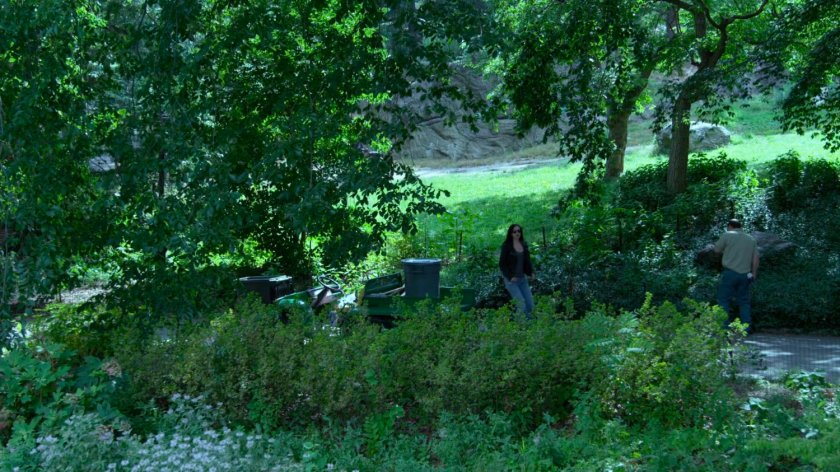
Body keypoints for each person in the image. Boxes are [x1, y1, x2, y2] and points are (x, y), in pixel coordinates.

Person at [714, 219, 760, 333]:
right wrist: (754, 273)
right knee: (744, 302)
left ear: (730, 226)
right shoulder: (751, 239)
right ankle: (746, 328)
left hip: (730, 273)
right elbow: (756, 258)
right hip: (745, 274)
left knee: (723, 300)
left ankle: (724, 327)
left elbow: (716, 250)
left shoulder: (727, 235)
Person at [499, 224, 535, 316]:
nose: (517, 233)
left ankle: (530, 327)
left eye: (519, 231)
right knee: (521, 306)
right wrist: (510, 277)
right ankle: (521, 327)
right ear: (511, 233)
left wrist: (531, 272)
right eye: (514, 231)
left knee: (530, 305)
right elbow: (502, 264)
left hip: (523, 279)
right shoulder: (506, 246)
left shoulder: (524, 244)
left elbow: (527, 261)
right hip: (511, 282)